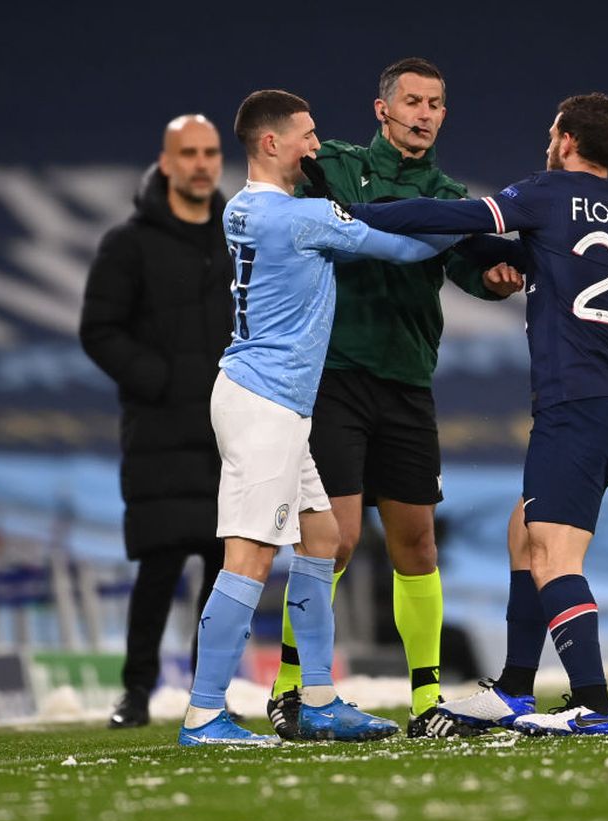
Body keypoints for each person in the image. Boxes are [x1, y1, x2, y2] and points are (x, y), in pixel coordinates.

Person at [178, 89, 464, 746]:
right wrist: (485, 218)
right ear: (271, 143)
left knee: (323, 539)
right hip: (266, 405)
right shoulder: (299, 219)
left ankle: (320, 698)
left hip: (269, 398)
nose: (316, 146)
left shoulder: (243, 208)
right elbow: (407, 251)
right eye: (306, 135)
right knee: (248, 557)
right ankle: (203, 714)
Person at [348, 92, 608, 736]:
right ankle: (513, 688)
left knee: (554, 556)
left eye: (549, 132)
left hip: (574, 405)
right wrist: (486, 257)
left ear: (565, 139)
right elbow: (525, 258)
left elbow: (451, 213)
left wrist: (358, 214)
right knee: (522, 531)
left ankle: (594, 703)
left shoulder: (545, 191)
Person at [267, 57, 524, 740]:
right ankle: (292, 688)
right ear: (382, 109)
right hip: (335, 378)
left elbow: (476, 272)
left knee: (418, 543)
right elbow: (294, 199)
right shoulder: (338, 165)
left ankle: (427, 702)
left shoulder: (450, 193)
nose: (423, 113)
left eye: (435, 103)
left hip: (409, 384)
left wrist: (498, 277)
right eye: (411, 100)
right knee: (337, 537)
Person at [80, 114, 233, 728]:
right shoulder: (129, 243)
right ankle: (136, 692)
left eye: (210, 152)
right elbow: (99, 331)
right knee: (161, 565)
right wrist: (159, 381)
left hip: (230, 429)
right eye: (188, 153)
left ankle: (207, 696)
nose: (201, 163)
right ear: (166, 163)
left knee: (228, 570)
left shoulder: (239, 234)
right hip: (161, 431)